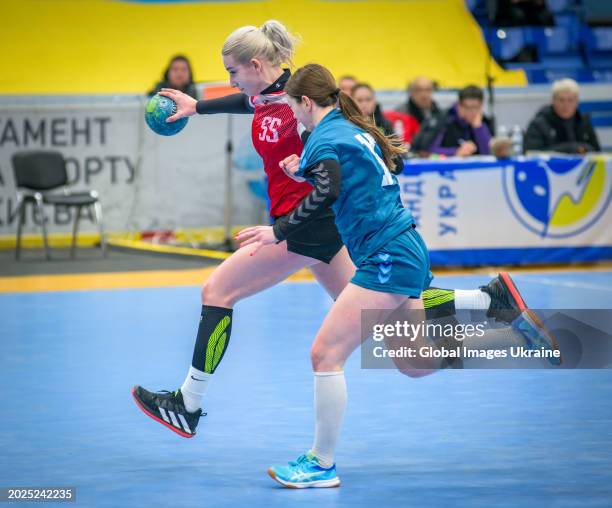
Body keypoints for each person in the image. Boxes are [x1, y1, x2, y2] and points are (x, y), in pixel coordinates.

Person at [131, 20, 546, 442]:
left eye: (233, 72)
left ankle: (189, 402)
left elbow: (329, 174)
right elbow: (249, 103)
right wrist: (196, 107)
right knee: (408, 350)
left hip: (304, 225)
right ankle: (490, 302)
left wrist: (281, 231)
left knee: (218, 291)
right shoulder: (270, 95)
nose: (230, 81)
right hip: (316, 228)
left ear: (256, 65)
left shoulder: (302, 108)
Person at [235, 64, 555, 489]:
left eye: (293, 108)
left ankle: (321, 463)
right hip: (401, 246)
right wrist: (305, 169)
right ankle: (510, 325)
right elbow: (372, 170)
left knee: (324, 354)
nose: (293, 118)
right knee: (414, 361)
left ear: (306, 103)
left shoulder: (325, 138)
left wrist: (277, 229)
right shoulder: (350, 129)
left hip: (386, 255)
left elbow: (328, 191)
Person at [412, 85, 494, 157]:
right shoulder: (444, 120)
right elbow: (427, 151)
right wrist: (455, 152)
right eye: (467, 107)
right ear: (459, 105)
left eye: (475, 107)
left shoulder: (482, 122)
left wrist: (478, 128)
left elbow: (489, 153)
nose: (471, 112)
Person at [524, 78, 601, 154]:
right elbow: (532, 154)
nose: (566, 105)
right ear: (553, 100)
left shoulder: (584, 121)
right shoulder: (539, 123)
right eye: (561, 100)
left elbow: (597, 152)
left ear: (577, 102)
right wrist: (572, 148)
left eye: (570, 100)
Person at [386, 77, 442, 145]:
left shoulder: (438, 113)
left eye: (428, 90)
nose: (424, 94)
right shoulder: (400, 114)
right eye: (419, 90)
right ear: (411, 92)